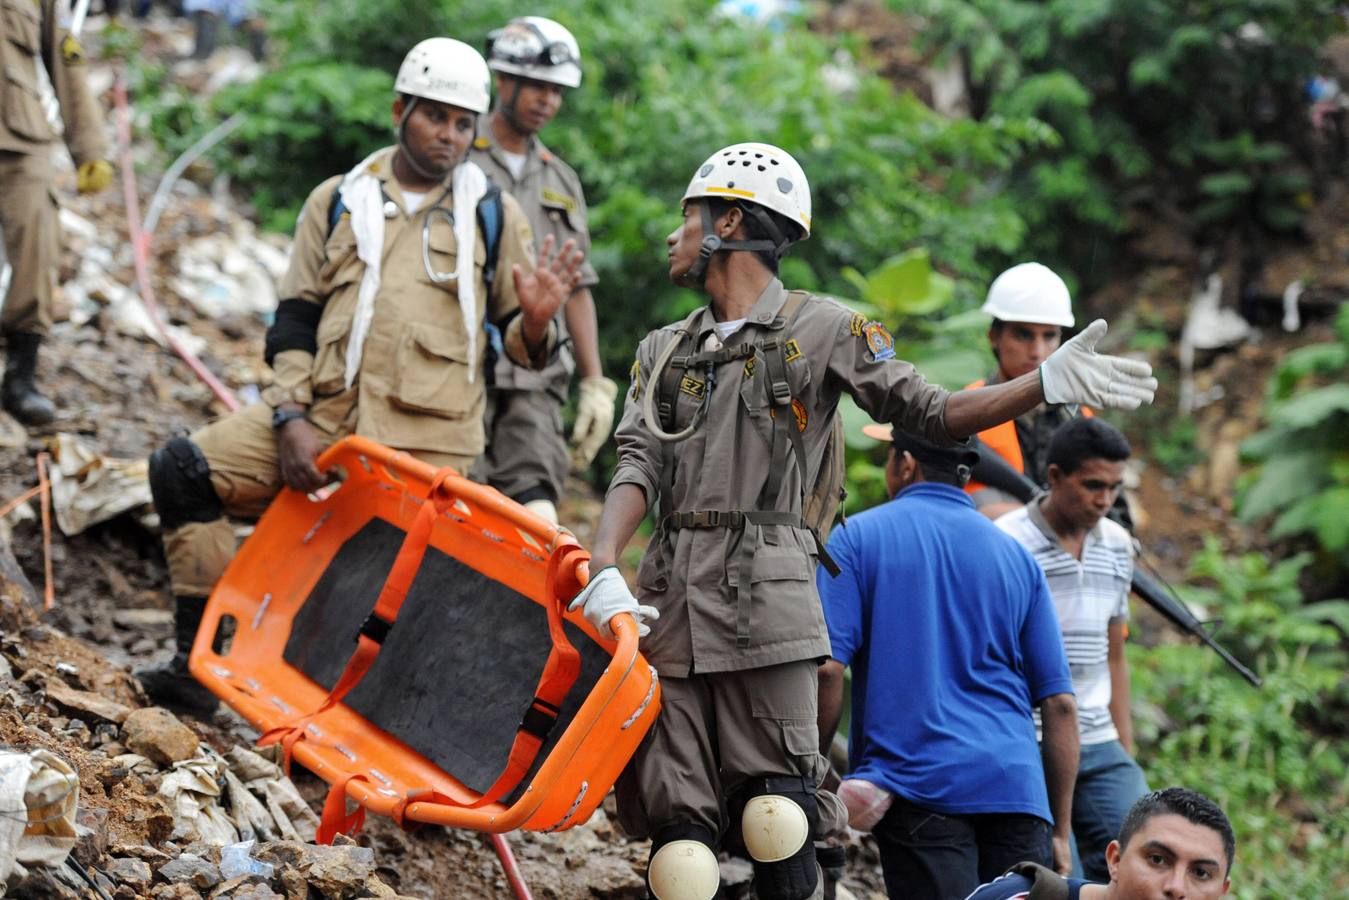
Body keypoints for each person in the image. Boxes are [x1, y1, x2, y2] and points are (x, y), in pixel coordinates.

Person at [567, 141, 1155, 900]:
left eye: (687, 217)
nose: (673, 236)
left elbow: (933, 412)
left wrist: (1039, 383)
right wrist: (605, 562)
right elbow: (636, 460)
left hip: (768, 599)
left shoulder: (825, 329)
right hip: (670, 601)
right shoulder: (661, 349)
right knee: (679, 849)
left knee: (775, 812)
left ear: (729, 221)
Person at [136, 37, 583, 714]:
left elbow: (521, 356)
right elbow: (294, 320)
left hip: (425, 456)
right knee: (183, 470)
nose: (451, 136)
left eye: (464, 124)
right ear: (400, 109)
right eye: (436, 117)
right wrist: (289, 418)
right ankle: (195, 662)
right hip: (328, 422)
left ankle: (329, 729)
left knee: (383, 602)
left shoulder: (494, 214)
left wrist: (537, 323)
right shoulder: (338, 199)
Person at [816, 426, 1079, 898]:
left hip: (920, 792)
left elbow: (827, 669)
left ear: (907, 464)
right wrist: (1059, 829)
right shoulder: (1016, 557)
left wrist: (813, 770)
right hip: (1018, 795)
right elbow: (1059, 702)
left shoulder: (856, 538)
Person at [470, 16, 614, 523]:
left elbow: (577, 287)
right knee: (455, 498)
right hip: (457, 364)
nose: (546, 100)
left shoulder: (561, 179)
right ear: (502, 80)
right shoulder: (455, 155)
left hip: (535, 371)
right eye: (535, 85)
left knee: (535, 510)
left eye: (556, 91)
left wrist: (595, 382)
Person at [997, 417, 1150, 882]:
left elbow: (1114, 653)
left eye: (1113, 487)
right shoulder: (1008, 542)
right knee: (1054, 873)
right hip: (1031, 736)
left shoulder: (1118, 545)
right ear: (1055, 476)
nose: (1104, 500)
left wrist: (1125, 748)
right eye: (1092, 486)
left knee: (1143, 849)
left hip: (1098, 737)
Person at [0, 1, 112, 425]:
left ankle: (20, 377)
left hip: (20, 135)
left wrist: (89, 148)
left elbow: (67, 59)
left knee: (37, 246)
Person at [964, 262, 1086, 520]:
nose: (1037, 351)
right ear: (994, 337)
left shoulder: (1076, 413)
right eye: (1023, 335)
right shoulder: (966, 408)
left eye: (1049, 336)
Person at [965, 787, 1235, 899]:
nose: (1176, 888)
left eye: (1200, 873)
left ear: (1222, 892)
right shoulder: (1023, 897)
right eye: (1157, 859)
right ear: (1115, 860)